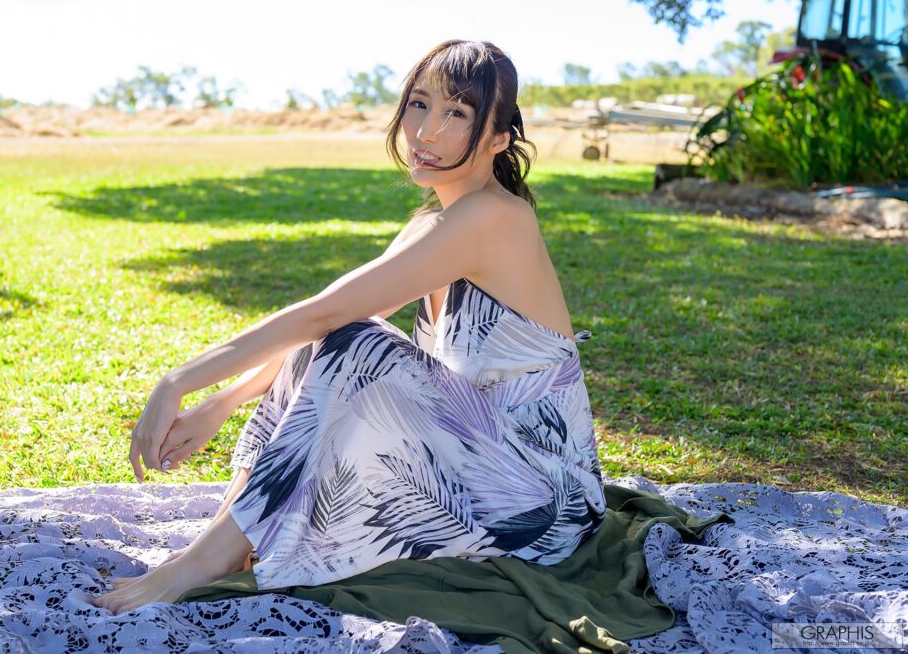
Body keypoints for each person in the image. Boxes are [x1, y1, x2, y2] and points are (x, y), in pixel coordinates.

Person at [91, 38, 606, 615]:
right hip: (481, 467)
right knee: (342, 334)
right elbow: (327, 323)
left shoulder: (494, 217)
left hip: (547, 502)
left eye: (457, 114)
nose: (425, 131)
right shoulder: (435, 221)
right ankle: (224, 543)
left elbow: (329, 314)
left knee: (355, 339)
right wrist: (221, 403)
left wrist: (178, 382)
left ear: (497, 139)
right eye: (419, 104)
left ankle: (207, 560)